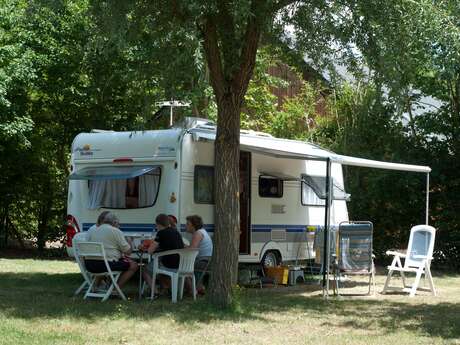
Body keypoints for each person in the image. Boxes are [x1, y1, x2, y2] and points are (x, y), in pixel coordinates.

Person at [85, 212, 138, 289]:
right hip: (105, 265)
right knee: (134, 265)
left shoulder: (93, 230)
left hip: (89, 265)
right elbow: (128, 252)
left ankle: (95, 287)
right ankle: (115, 289)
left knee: (111, 260)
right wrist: (130, 241)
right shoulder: (115, 231)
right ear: (114, 222)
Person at [141, 213, 184, 295]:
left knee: (145, 270)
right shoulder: (176, 232)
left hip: (168, 265)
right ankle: (164, 289)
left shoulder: (161, 233)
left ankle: (155, 292)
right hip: (180, 264)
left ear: (157, 224)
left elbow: (150, 251)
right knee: (158, 269)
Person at [185, 215, 213, 294]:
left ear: (193, 225)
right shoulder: (202, 231)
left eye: (187, 224)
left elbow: (192, 250)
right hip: (206, 260)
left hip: (203, 261)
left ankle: (193, 290)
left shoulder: (198, 233)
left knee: (182, 268)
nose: (185, 226)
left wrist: (182, 246)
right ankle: (198, 288)